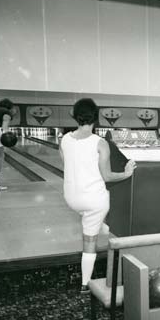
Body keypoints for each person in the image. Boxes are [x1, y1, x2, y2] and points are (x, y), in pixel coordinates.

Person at [60, 98, 135, 293]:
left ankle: (101, 224)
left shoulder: (65, 139)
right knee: (89, 240)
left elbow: (67, 164)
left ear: (75, 116)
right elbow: (108, 176)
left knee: (91, 213)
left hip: (71, 199)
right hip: (93, 201)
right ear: (96, 117)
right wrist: (126, 173)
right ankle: (85, 283)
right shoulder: (100, 143)